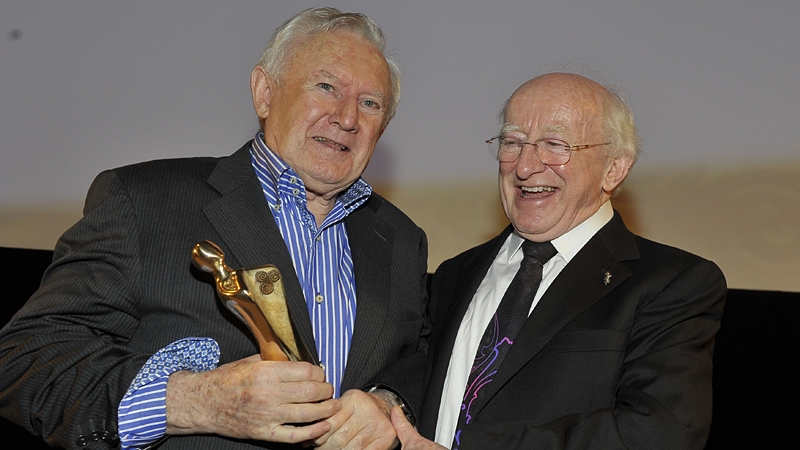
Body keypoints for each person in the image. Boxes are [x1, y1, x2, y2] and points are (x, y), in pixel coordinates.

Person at [0, 7, 428, 450]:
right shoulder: (145, 202)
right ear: (264, 93)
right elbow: (22, 359)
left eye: (370, 103)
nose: (347, 117)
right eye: (326, 86)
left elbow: (419, 361)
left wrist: (388, 403)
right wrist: (195, 402)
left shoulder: (401, 241)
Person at [390, 73, 725, 449]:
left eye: (554, 144)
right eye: (512, 142)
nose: (525, 166)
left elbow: (656, 435)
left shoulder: (672, 284)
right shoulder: (453, 274)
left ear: (614, 168)